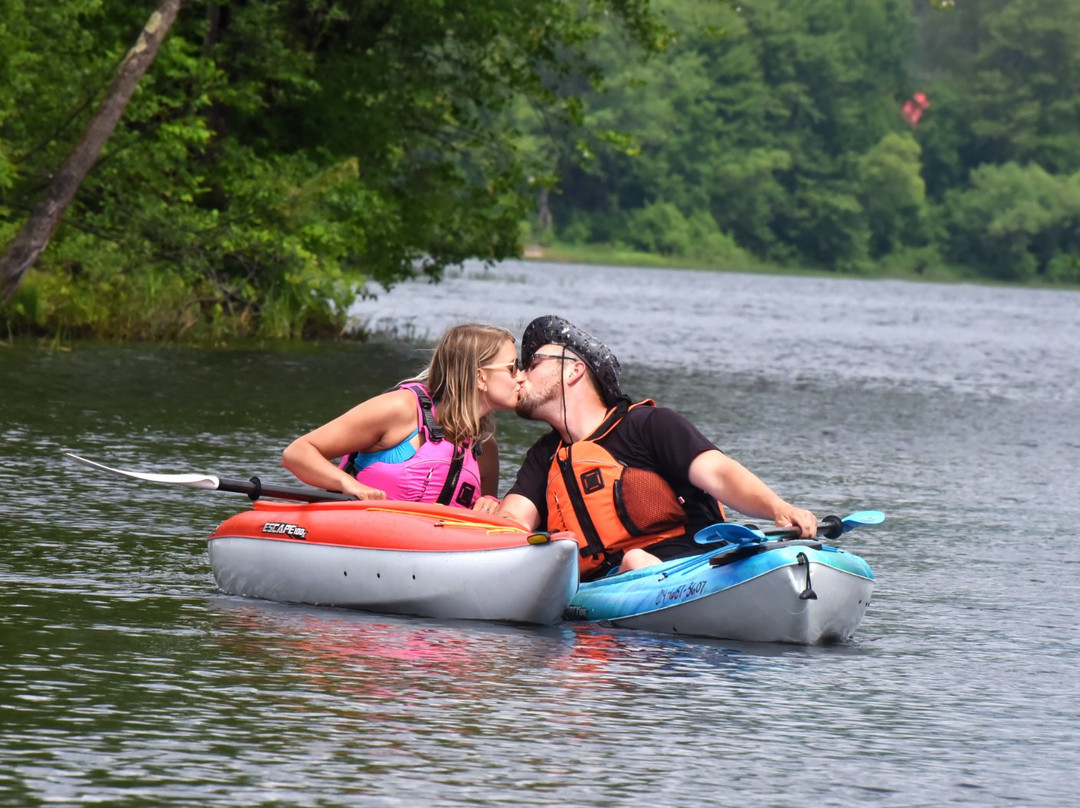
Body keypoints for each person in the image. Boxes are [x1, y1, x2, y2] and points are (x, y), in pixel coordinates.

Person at [495, 315, 818, 579]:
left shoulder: (649, 425)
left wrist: (779, 509)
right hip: (607, 585)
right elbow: (515, 521)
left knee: (637, 558)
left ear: (573, 369)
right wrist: (490, 515)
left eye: (533, 363)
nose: (520, 376)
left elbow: (719, 473)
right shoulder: (544, 456)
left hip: (692, 563)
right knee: (634, 559)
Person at [282, 323, 522, 508]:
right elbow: (297, 452)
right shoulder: (401, 409)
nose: (521, 376)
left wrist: (489, 504)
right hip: (350, 537)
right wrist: (349, 485)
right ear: (480, 377)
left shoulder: (484, 447)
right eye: (512, 368)